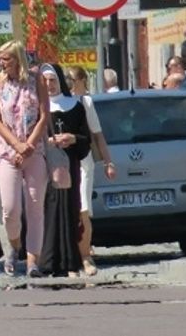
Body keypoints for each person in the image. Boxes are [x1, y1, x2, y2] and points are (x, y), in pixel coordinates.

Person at [0, 39, 50, 277]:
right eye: (0, 59)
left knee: (35, 206)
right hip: (7, 151)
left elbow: (44, 115)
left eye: (6, 58)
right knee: (10, 208)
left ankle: (33, 260)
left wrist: (29, 145)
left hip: (34, 149)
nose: (2, 63)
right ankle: (13, 246)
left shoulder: (37, 80)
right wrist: (15, 145)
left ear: (17, 59)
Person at [37, 64, 92, 277]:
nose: (49, 85)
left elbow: (85, 139)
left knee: (70, 209)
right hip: (46, 165)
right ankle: (49, 261)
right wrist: (48, 142)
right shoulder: (39, 107)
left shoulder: (75, 106)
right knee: (48, 210)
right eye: (45, 81)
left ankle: (71, 261)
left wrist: (72, 138)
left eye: (52, 80)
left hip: (70, 163)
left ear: (60, 81)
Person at [65, 66, 117, 277]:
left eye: (73, 79)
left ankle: (86, 256)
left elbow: (97, 135)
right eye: (67, 79)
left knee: (83, 209)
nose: (69, 82)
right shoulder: (57, 102)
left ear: (83, 81)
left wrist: (108, 162)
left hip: (84, 160)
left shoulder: (86, 103)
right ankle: (71, 258)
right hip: (63, 163)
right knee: (67, 210)